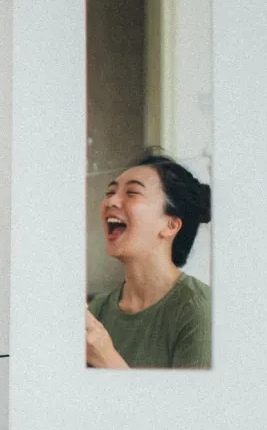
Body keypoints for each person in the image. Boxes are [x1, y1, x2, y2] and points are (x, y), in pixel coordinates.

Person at [86, 149, 212, 369]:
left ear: (170, 225)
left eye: (132, 192)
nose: (111, 201)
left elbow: (191, 404)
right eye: (110, 192)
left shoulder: (199, 310)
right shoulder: (99, 309)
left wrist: (106, 358)